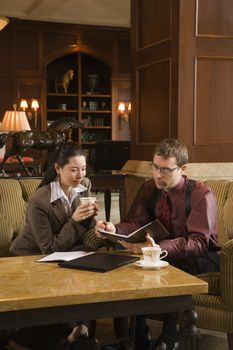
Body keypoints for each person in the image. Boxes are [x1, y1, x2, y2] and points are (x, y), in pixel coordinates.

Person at [96, 138, 221, 350]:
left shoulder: (201, 194)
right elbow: (135, 223)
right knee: (119, 255)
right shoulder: (148, 188)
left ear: (183, 168)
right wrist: (114, 229)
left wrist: (159, 249)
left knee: (171, 264)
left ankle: (169, 336)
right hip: (158, 250)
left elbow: (198, 243)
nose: (157, 175)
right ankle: (136, 335)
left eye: (165, 170)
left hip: (199, 258)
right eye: (155, 167)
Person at [9, 142, 105, 350]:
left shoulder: (84, 185)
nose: (80, 175)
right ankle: (68, 333)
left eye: (83, 168)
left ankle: (76, 330)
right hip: (29, 255)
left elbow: (85, 224)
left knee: (89, 272)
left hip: (65, 251)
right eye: (74, 169)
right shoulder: (40, 200)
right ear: (58, 169)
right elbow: (49, 249)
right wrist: (75, 221)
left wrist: (98, 225)